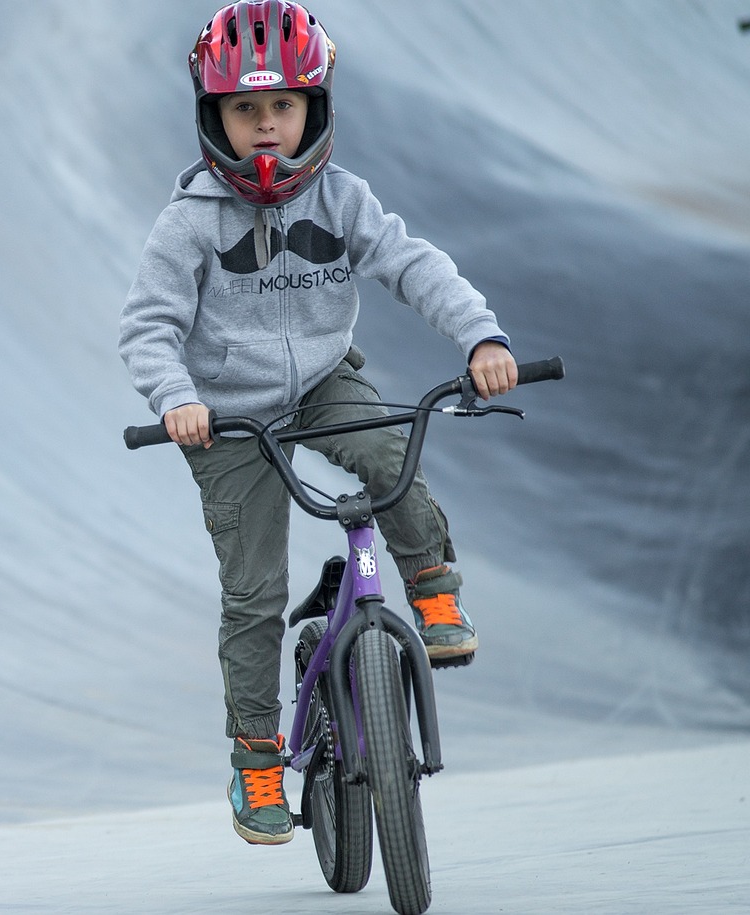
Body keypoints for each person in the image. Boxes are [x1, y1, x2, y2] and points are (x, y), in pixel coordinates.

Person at [118, 0, 518, 847]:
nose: (267, 127)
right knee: (255, 590)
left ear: (317, 111)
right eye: (245, 110)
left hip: (323, 384)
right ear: (213, 118)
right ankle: (256, 754)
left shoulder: (342, 198)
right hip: (224, 419)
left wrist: (479, 333)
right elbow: (146, 327)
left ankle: (434, 589)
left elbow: (412, 263)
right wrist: (175, 397)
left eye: (284, 107)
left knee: (385, 447)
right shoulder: (189, 220)